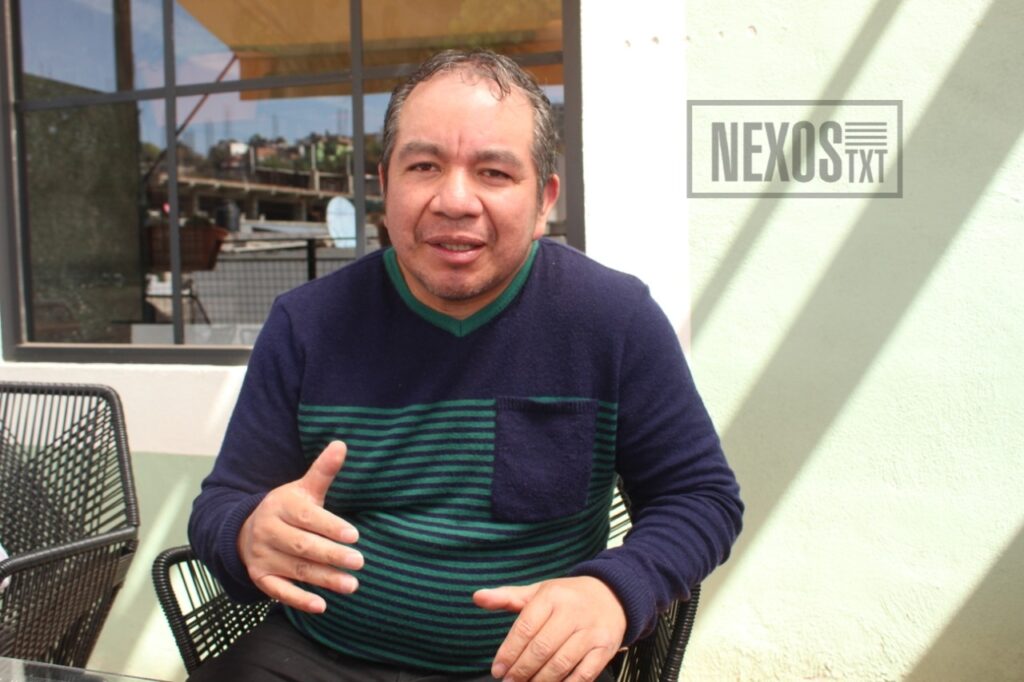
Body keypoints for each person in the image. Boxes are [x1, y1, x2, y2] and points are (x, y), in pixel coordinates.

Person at [188, 49, 743, 682]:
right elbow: (222, 502)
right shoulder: (306, 323)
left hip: (524, 667)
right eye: (424, 166)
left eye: (494, 172)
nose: (455, 200)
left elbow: (701, 497)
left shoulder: (612, 319)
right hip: (316, 656)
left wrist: (615, 587)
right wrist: (246, 531)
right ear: (385, 185)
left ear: (544, 200)